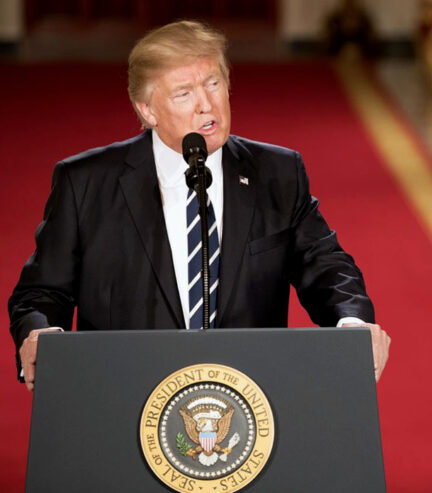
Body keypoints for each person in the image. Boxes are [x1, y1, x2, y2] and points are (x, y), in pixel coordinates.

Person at [8, 20, 390, 391]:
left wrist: (352, 323)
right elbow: (42, 293)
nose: (206, 105)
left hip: (247, 397)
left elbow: (326, 267)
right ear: (148, 110)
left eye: (213, 83)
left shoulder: (276, 172)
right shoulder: (85, 183)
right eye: (184, 93)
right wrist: (41, 334)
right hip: (123, 393)